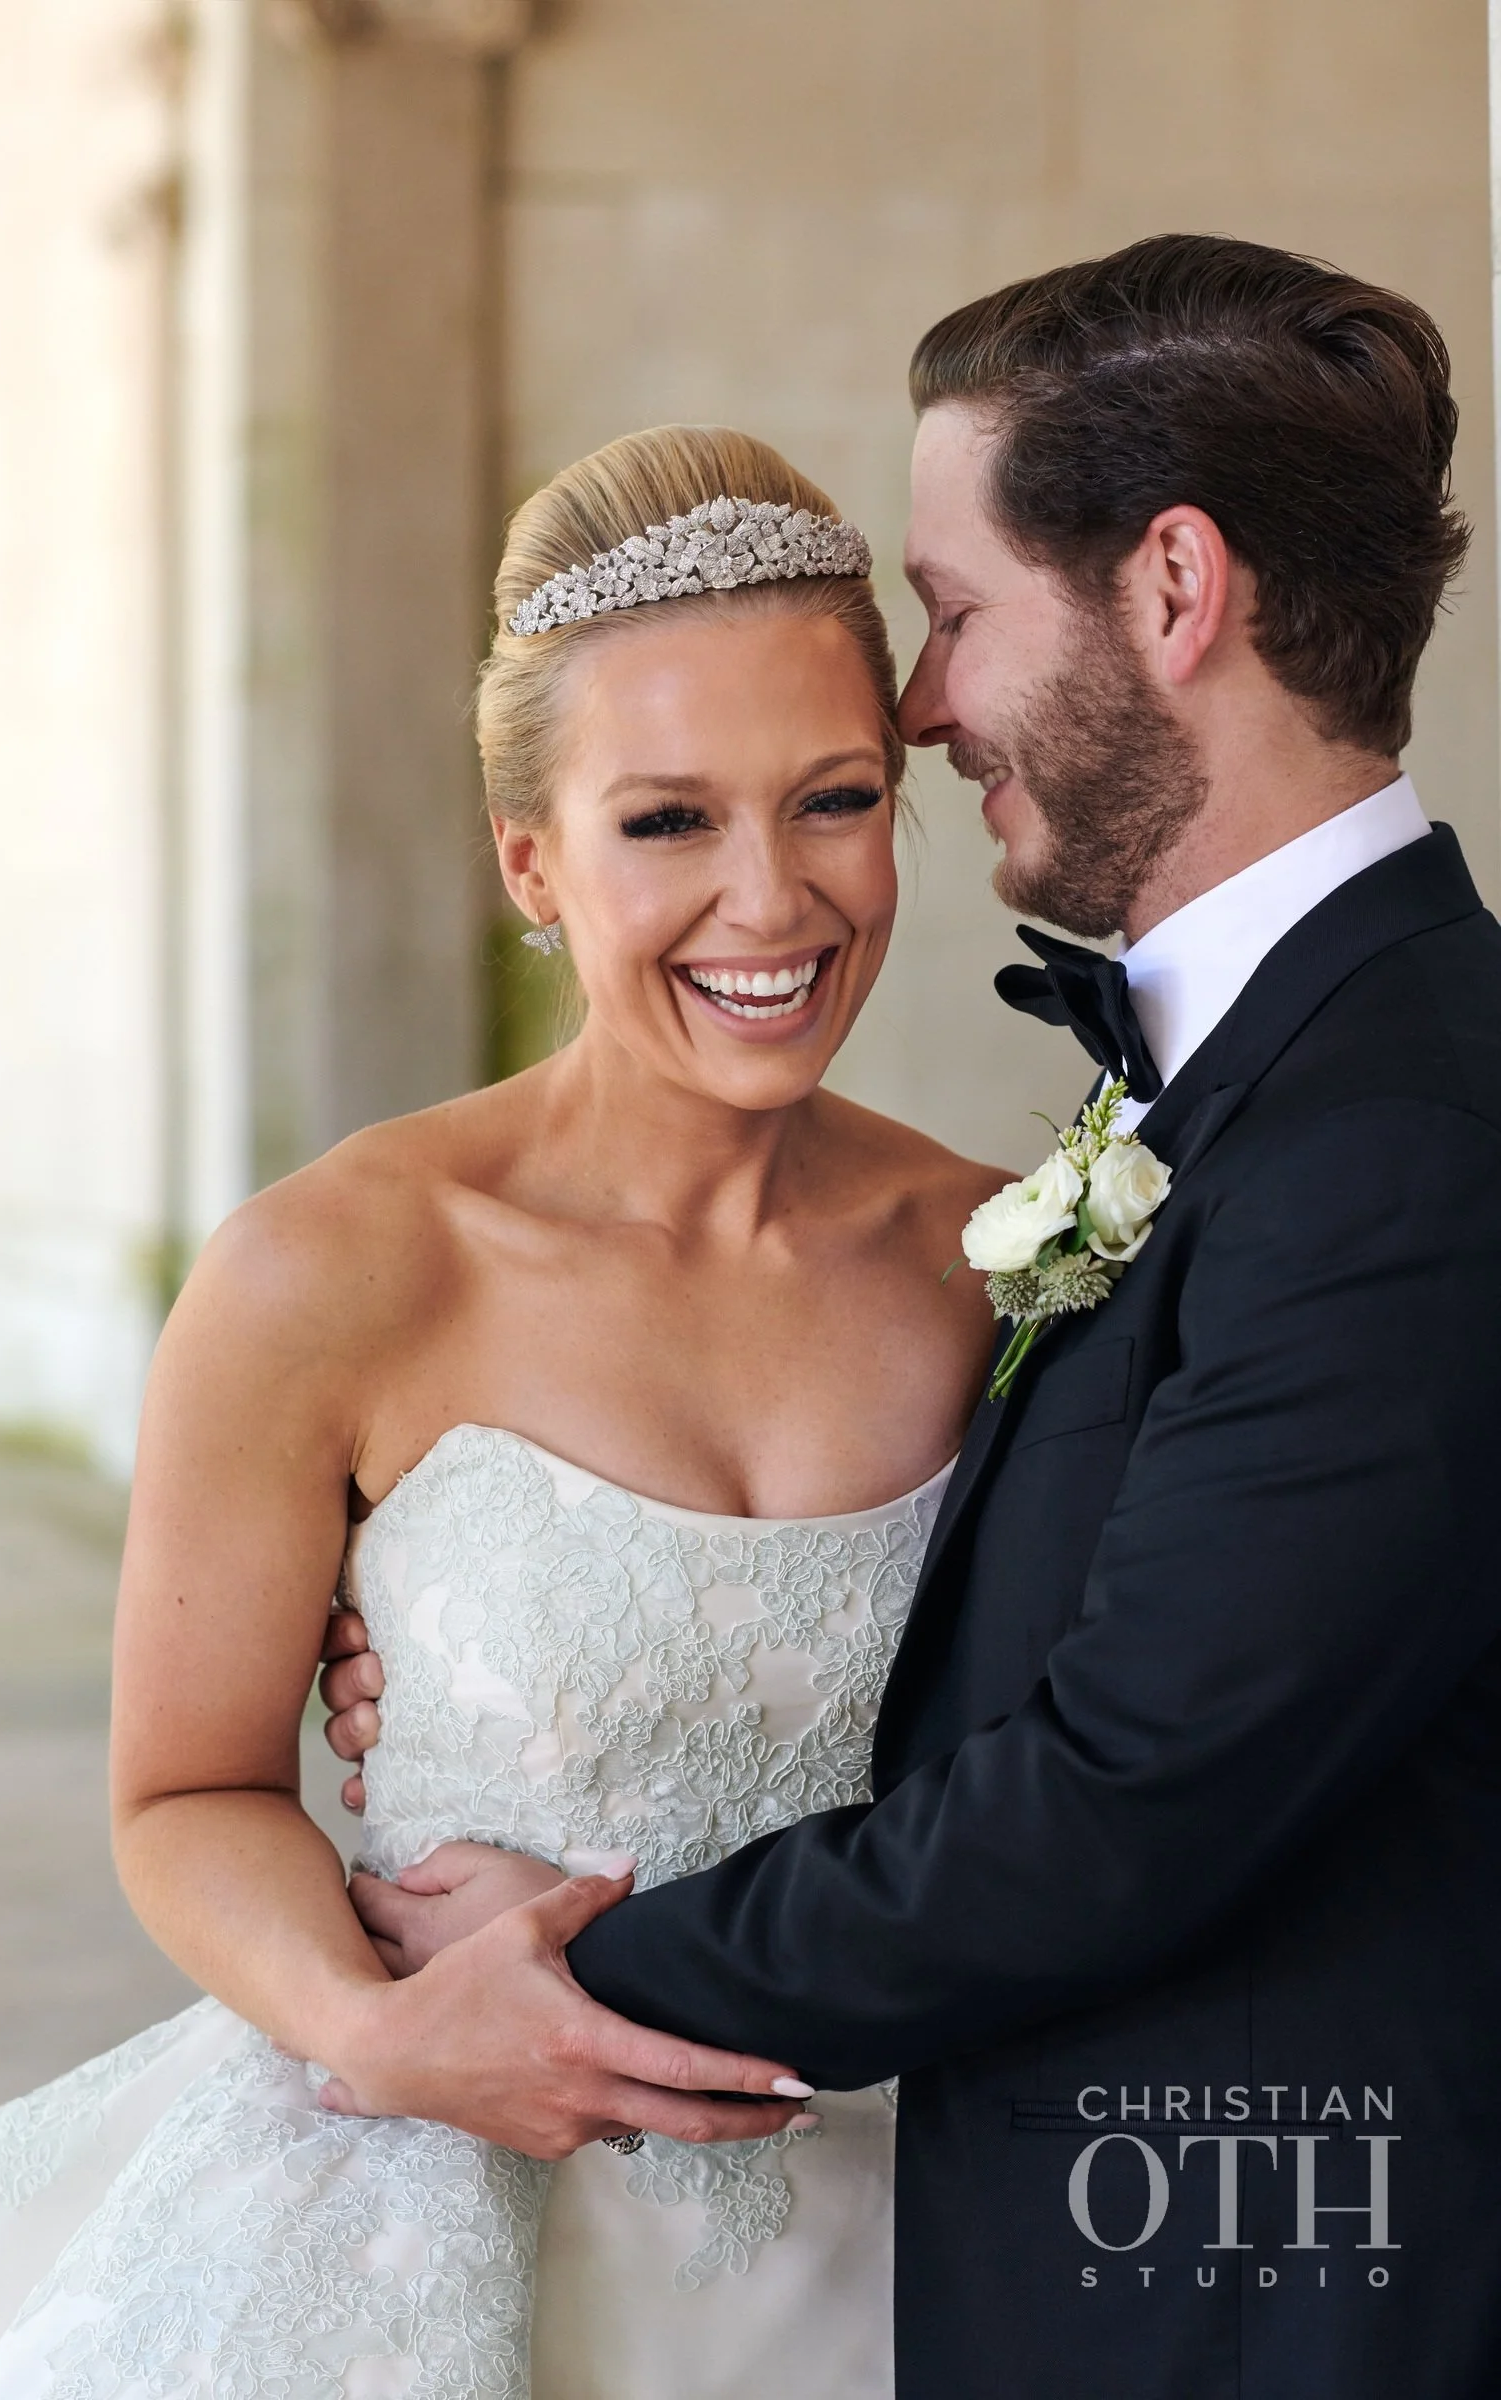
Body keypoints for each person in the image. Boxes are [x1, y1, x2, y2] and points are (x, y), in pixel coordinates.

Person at [326, 236, 1501, 2398]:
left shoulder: (1394, 1134)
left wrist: (574, 1957)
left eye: (952, 615)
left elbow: (1134, 1782)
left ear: (1169, 591)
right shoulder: (1267, 1074)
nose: (922, 702)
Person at [0, 425, 1005, 2398]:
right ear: (529, 860)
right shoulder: (330, 1273)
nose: (772, 899)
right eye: (664, 822)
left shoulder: (1002, 1268)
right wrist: (374, 2025)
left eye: (832, 801)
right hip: (404, 2223)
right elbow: (187, 1793)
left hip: (901, 2241)